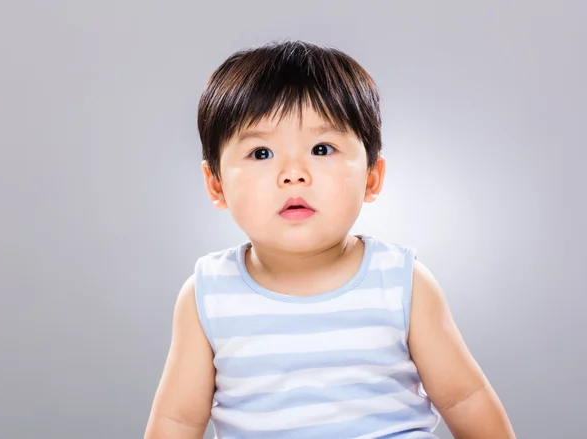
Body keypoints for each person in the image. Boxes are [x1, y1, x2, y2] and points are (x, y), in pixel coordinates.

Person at [144, 40, 516, 439]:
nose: (293, 174)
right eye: (261, 153)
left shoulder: (402, 282)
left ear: (371, 177)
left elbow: (464, 398)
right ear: (215, 184)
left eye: (322, 149)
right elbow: (178, 421)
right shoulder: (208, 293)